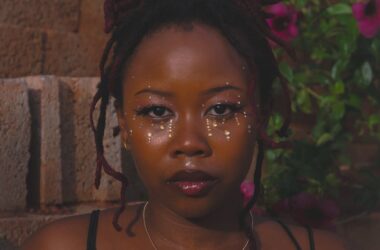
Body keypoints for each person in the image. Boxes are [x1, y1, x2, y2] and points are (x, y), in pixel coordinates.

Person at [22, 0, 348, 249]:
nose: (190, 143)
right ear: (122, 120)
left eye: (221, 109)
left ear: (261, 113)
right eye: (158, 113)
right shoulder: (62, 246)